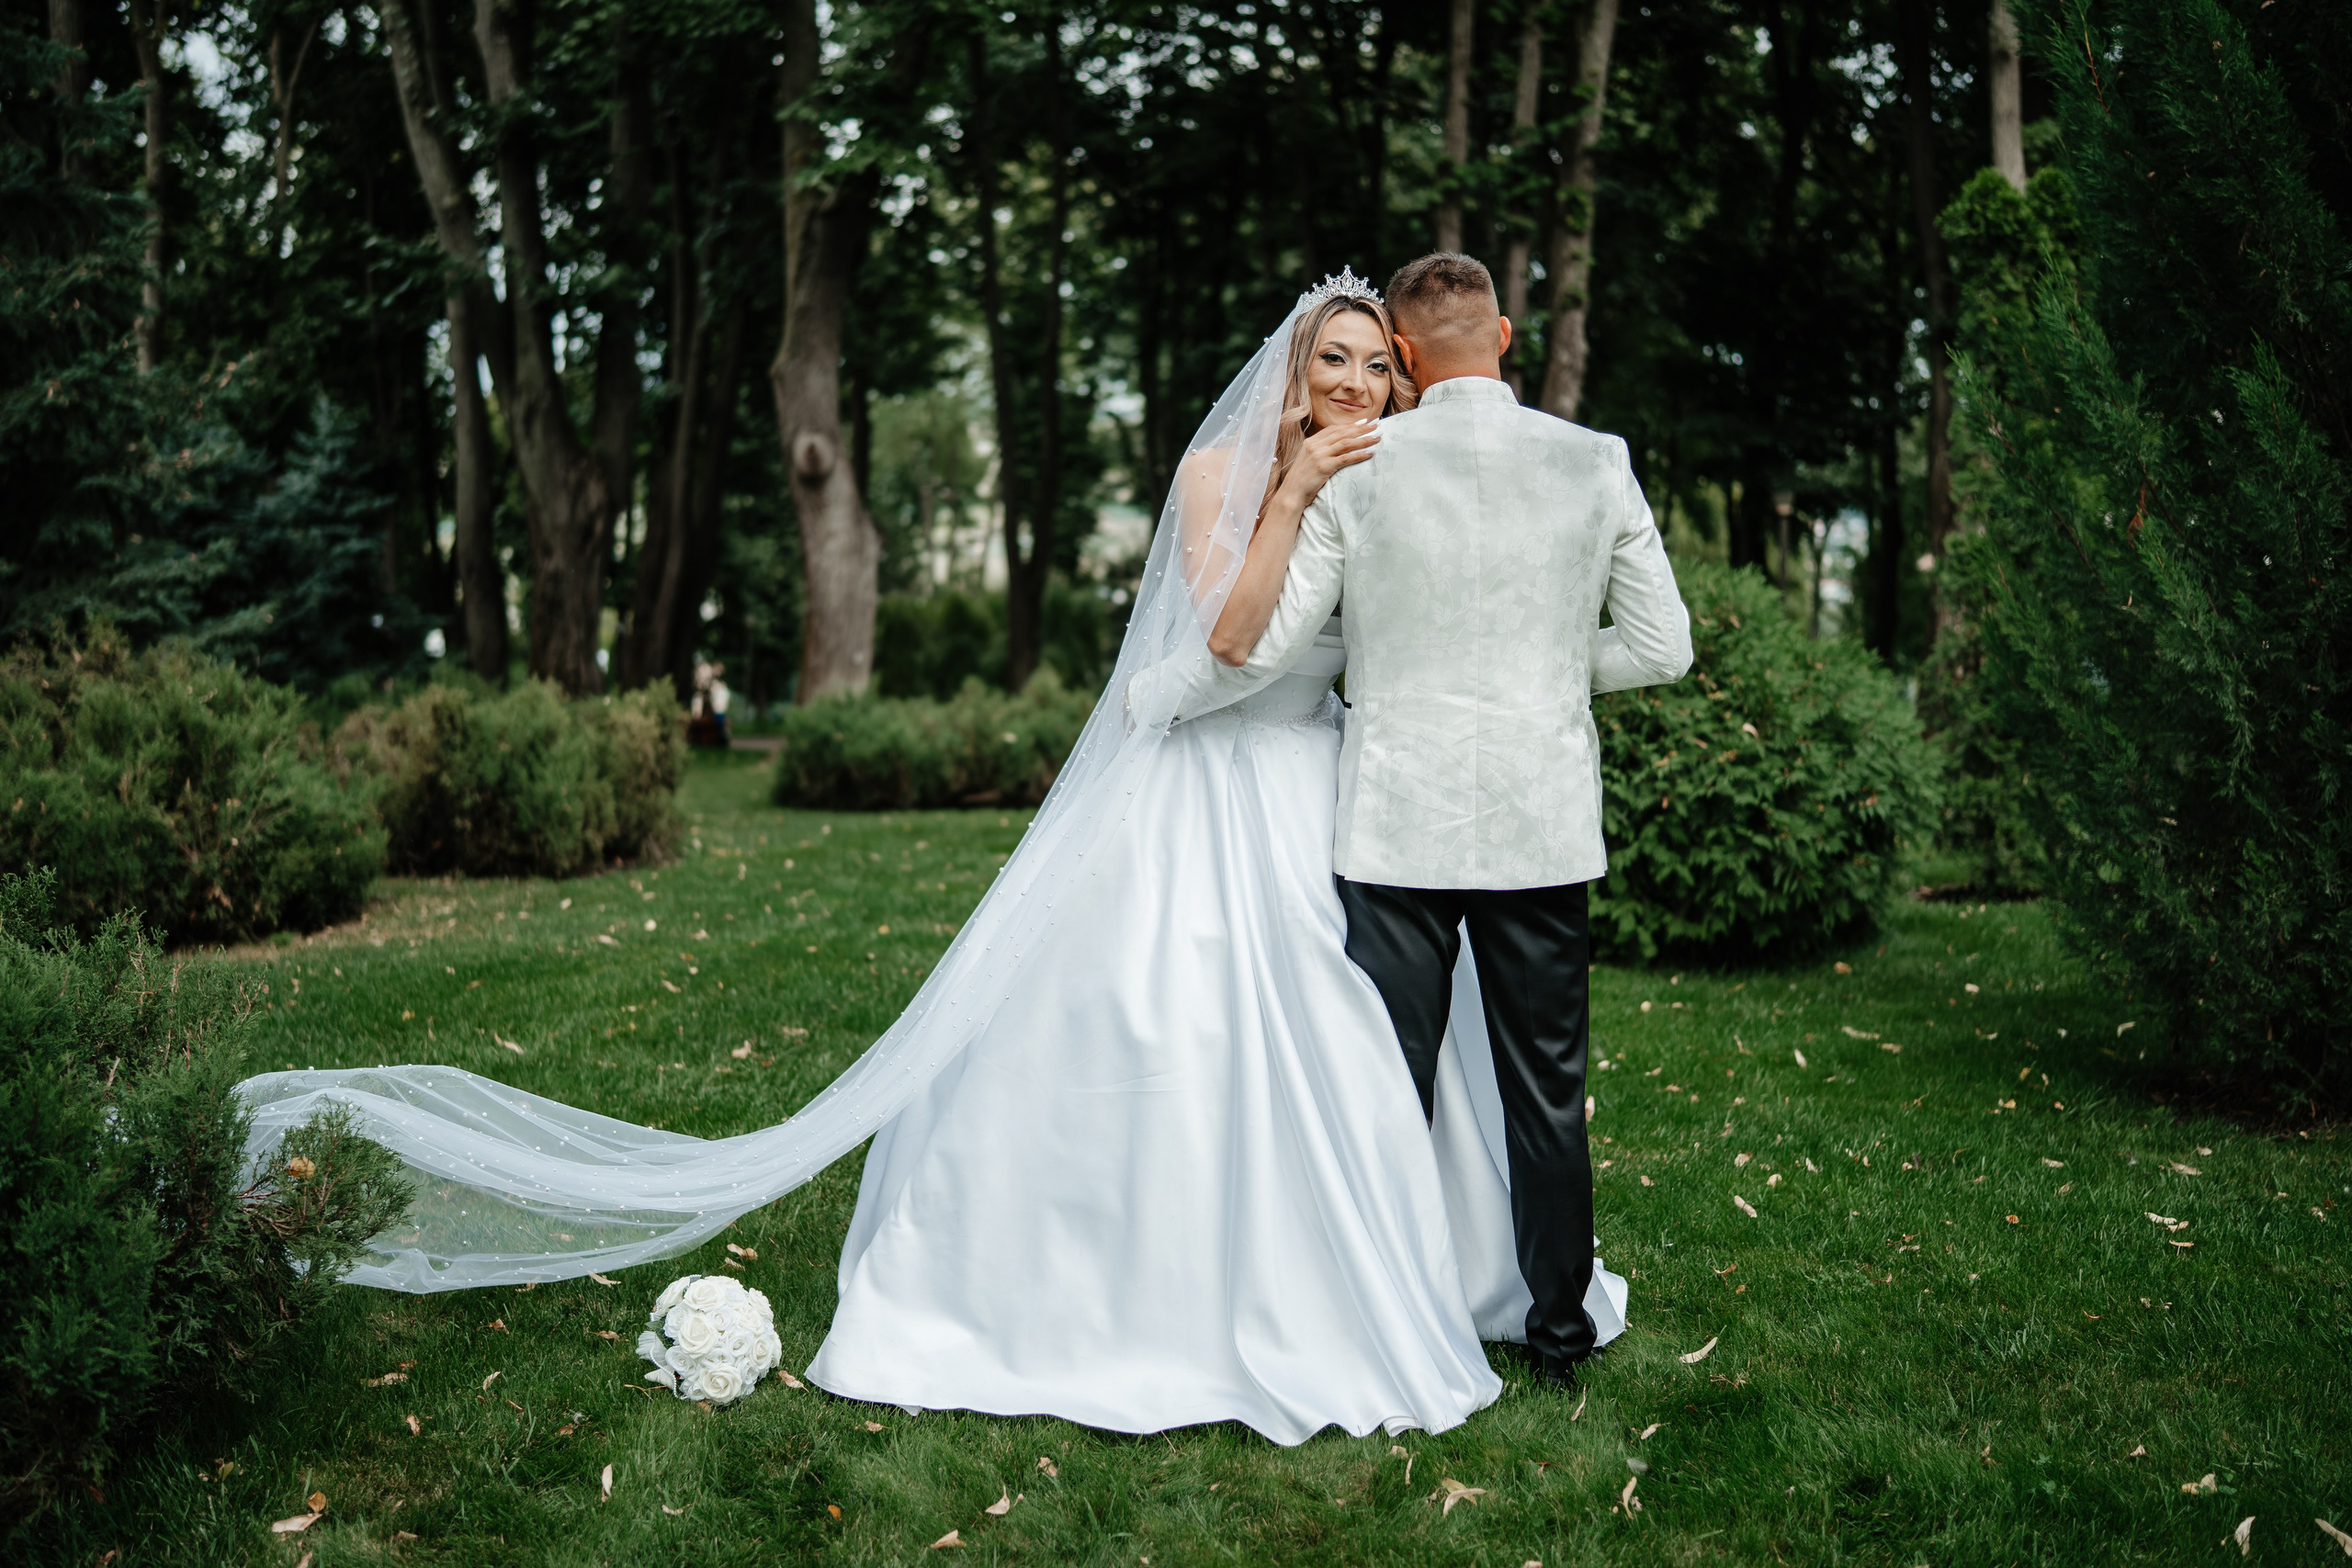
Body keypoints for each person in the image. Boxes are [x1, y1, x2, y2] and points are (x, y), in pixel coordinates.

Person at [233, 265, 1672, 1444]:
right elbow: (1229, 645)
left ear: (1404, 379)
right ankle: (1164, 1291)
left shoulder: (1382, 476)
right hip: (1222, 784)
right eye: (1336, 360)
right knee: (1191, 1037)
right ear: (1294, 366)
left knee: (1357, 1056)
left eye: (1376, 367)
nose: (1356, 385)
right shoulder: (1234, 470)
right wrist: (1294, 492)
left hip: (1327, 796)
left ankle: (1386, 1277)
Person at [1150, 253, 1694, 1383]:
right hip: (1541, 828)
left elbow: (1272, 642)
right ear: (1502, 337)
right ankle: (1557, 1337)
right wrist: (1541, 675)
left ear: (1400, 354)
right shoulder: (1597, 462)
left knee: (1386, 1087)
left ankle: (1385, 1322)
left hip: (1393, 826)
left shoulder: (1358, 466)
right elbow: (1661, 650)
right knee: (1546, 1090)